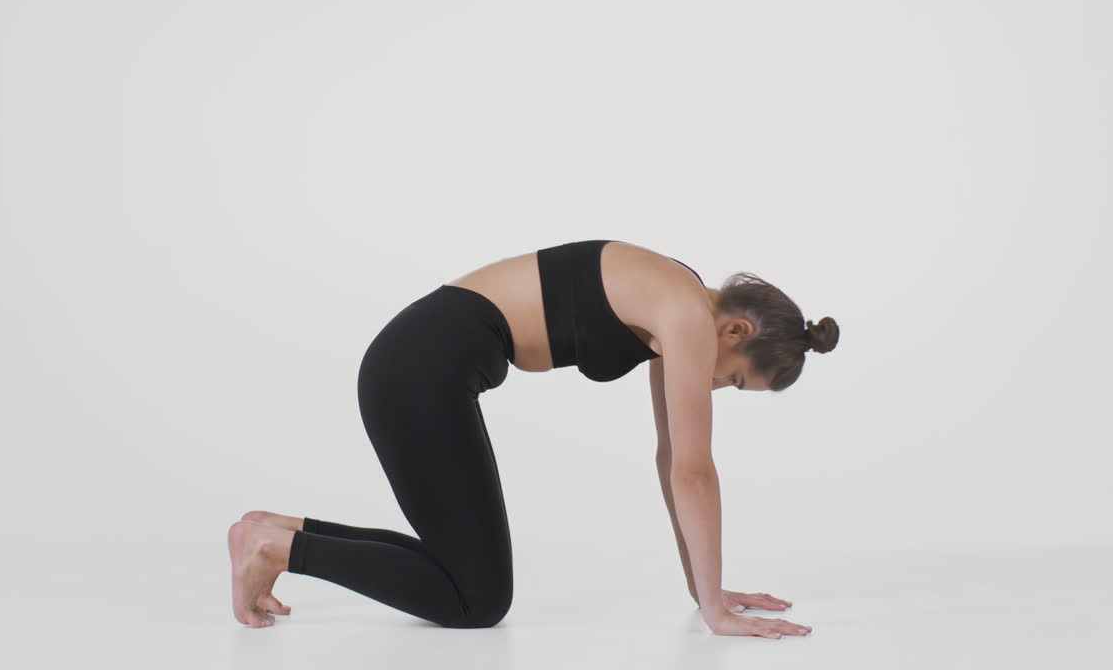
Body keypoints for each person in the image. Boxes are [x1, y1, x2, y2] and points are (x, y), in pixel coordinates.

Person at [227, 239, 839, 636]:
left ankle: (278, 532)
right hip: (419, 369)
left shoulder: (675, 300)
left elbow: (671, 458)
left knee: (469, 580)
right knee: (476, 600)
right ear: (736, 329)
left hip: (422, 364)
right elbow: (695, 471)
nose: (715, 390)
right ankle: (276, 548)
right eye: (732, 380)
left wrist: (703, 589)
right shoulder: (683, 315)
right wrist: (716, 610)